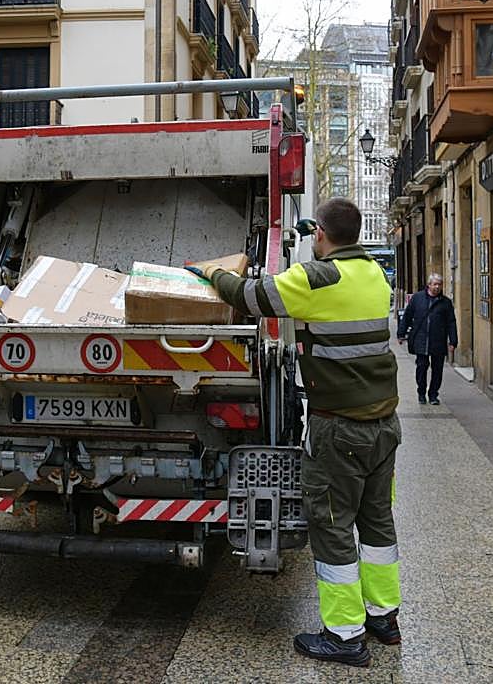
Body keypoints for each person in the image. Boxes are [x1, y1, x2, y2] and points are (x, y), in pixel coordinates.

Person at [191, 197, 401, 667]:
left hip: (340, 432)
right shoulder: (374, 275)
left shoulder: (318, 278)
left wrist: (209, 272)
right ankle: (383, 618)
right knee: (377, 523)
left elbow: (250, 295)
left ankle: (344, 636)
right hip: (384, 426)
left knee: (332, 528)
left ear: (321, 236)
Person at [397, 273, 458, 406]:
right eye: (434, 284)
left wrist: (453, 341)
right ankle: (421, 392)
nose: (437, 287)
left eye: (439, 284)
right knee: (422, 366)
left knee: (437, 369)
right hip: (421, 338)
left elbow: (451, 322)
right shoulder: (418, 298)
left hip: (438, 340)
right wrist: (401, 333)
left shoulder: (445, 302)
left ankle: (433, 394)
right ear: (429, 285)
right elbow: (407, 316)